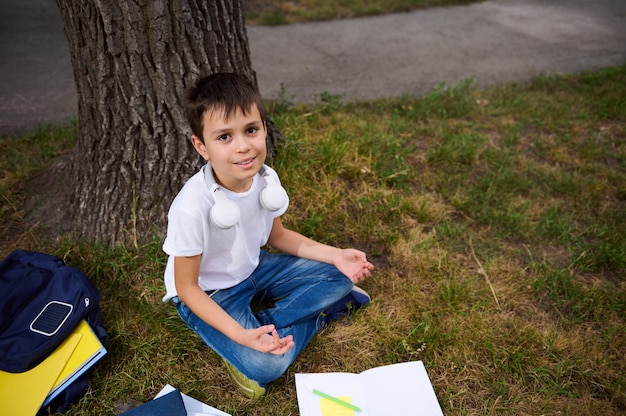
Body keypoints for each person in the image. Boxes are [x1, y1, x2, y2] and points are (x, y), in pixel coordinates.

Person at [162, 73, 374, 399]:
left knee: (341, 277)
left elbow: (279, 236)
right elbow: (187, 288)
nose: (243, 146)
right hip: (210, 293)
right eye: (224, 137)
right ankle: (289, 327)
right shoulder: (192, 207)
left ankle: (266, 325)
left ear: (263, 127)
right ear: (201, 146)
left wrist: (335, 254)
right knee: (267, 367)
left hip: (254, 267)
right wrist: (238, 334)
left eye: (251, 130)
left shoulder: (265, 179)